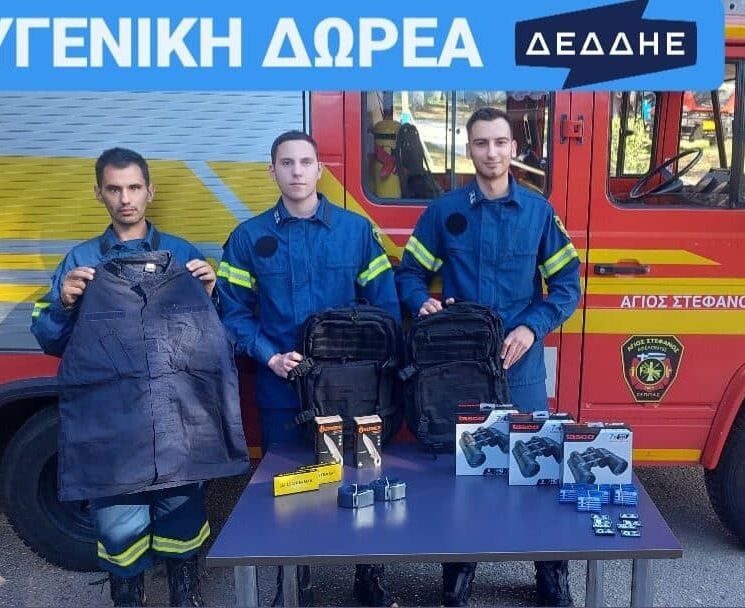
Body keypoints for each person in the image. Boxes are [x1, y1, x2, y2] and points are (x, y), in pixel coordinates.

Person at [395, 107, 582, 607]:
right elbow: (410, 274)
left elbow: (567, 287)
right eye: (481, 143)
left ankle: (551, 574)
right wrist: (422, 302)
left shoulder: (538, 213)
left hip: (520, 365)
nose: (492, 152)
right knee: (465, 471)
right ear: (468, 149)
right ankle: (459, 572)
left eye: (500, 142)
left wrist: (530, 327)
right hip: (460, 368)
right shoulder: (445, 211)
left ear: (514, 149)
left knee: (538, 468)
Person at [31, 147, 221, 607]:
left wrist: (212, 294)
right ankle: (128, 596)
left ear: (150, 191)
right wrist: (64, 304)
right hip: (111, 421)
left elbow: (215, 341)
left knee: (181, 513)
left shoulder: (183, 254)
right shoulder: (80, 261)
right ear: (99, 194)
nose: (126, 199)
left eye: (134, 187)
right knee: (118, 523)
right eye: (114, 189)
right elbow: (51, 340)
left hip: (176, 418)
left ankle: (185, 593)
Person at [217, 130, 401, 608]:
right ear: (272, 171)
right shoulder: (248, 238)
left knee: (362, 479)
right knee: (287, 488)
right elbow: (232, 312)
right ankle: (293, 584)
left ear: (320, 170)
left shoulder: (355, 232)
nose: (296, 171)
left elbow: (384, 309)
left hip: (354, 392)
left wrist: (366, 368)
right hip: (283, 389)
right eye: (286, 163)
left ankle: (368, 576)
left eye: (305, 162)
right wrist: (269, 356)